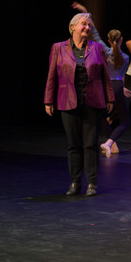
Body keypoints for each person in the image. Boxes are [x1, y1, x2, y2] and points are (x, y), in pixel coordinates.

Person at [44, 13, 114, 196]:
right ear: (72, 27)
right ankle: (75, 183)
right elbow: (52, 76)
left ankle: (92, 183)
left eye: (89, 25)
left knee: (90, 144)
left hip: (92, 102)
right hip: (67, 102)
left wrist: (110, 98)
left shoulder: (97, 48)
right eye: (84, 24)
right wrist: (48, 100)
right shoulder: (58, 48)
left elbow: (105, 76)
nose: (87, 28)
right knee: (73, 145)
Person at [71, 2, 130, 156]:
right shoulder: (125, 57)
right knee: (125, 121)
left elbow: (94, 32)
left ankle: (111, 144)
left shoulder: (104, 49)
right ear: (121, 40)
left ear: (109, 41)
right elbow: (121, 76)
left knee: (102, 117)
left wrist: (84, 11)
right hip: (116, 86)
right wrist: (121, 89)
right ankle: (109, 143)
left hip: (105, 87)